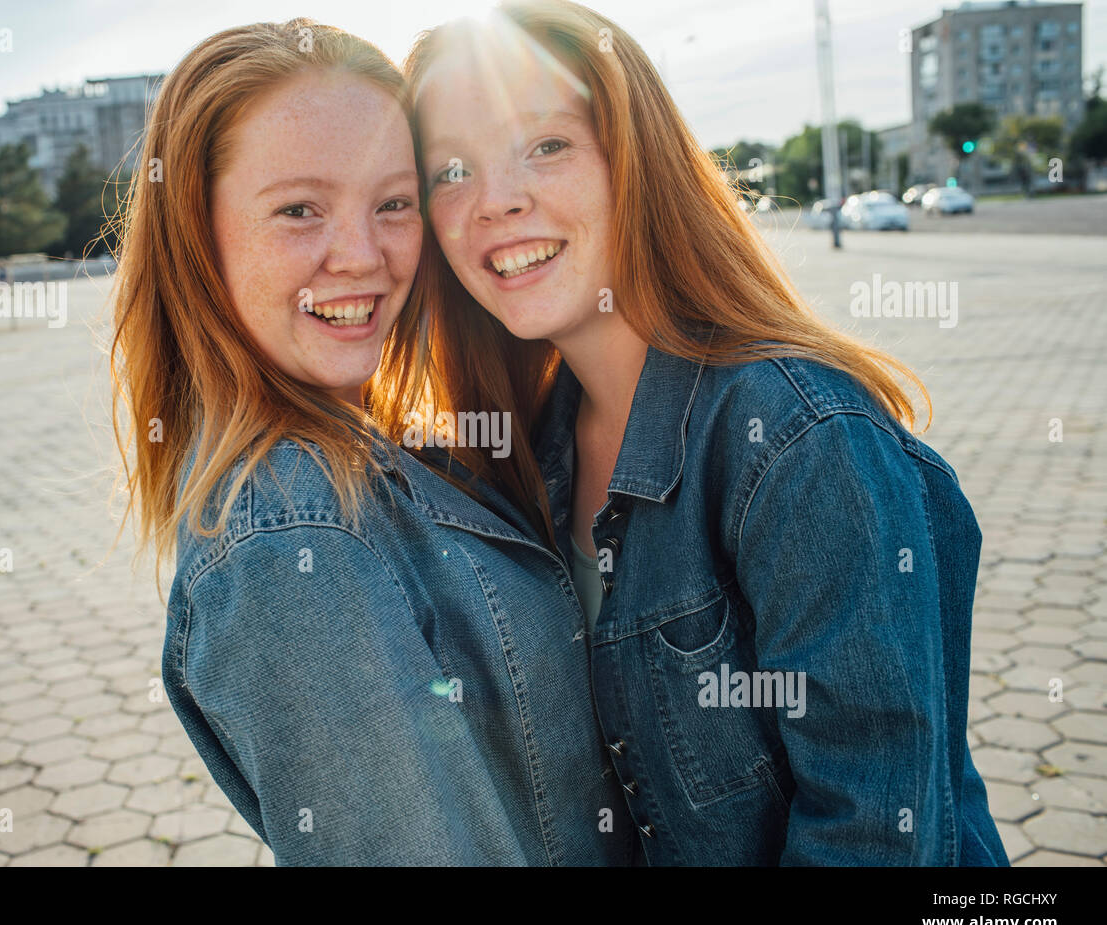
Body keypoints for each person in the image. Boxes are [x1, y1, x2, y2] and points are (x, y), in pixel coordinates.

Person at [405, 0, 1008, 865]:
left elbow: (873, 833)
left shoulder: (801, 442)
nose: (496, 200)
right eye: (451, 169)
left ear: (634, 162)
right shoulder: (526, 448)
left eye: (546, 145)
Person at [109, 18, 637, 866]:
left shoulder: (376, 460)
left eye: (393, 204)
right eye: (299, 209)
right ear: (194, 234)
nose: (360, 256)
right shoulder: (292, 537)